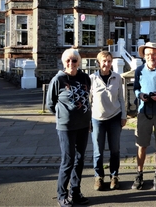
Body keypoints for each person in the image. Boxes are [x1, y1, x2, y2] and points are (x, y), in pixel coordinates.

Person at [46, 48, 91, 207]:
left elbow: (87, 98)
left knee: (79, 160)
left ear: (78, 62)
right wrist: (64, 116)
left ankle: (75, 191)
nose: (71, 63)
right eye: (68, 60)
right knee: (68, 160)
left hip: (84, 125)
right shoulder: (58, 80)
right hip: (66, 127)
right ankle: (62, 194)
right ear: (63, 62)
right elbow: (50, 104)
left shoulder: (85, 77)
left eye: (74, 60)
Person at [132, 42, 156, 191]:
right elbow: (136, 88)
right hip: (144, 113)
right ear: (144, 56)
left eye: (153, 54)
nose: (151, 57)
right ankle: (139, 173)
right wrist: (140, 95)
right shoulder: (139, 70)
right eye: (147, 54)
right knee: (142, 145)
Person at [89, 51, 127, 191]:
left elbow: (121, 99)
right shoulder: (92, 78)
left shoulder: (117, 77)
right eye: (104, 61)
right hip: (97, 119)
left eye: (109, 61)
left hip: (114, 118)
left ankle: (114, 176)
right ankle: (98, 177)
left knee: (115, 150)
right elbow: (88, 101)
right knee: (98, 151)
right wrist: (88, 120)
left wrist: (124, 116)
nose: (107, 64)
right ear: (99, 63)